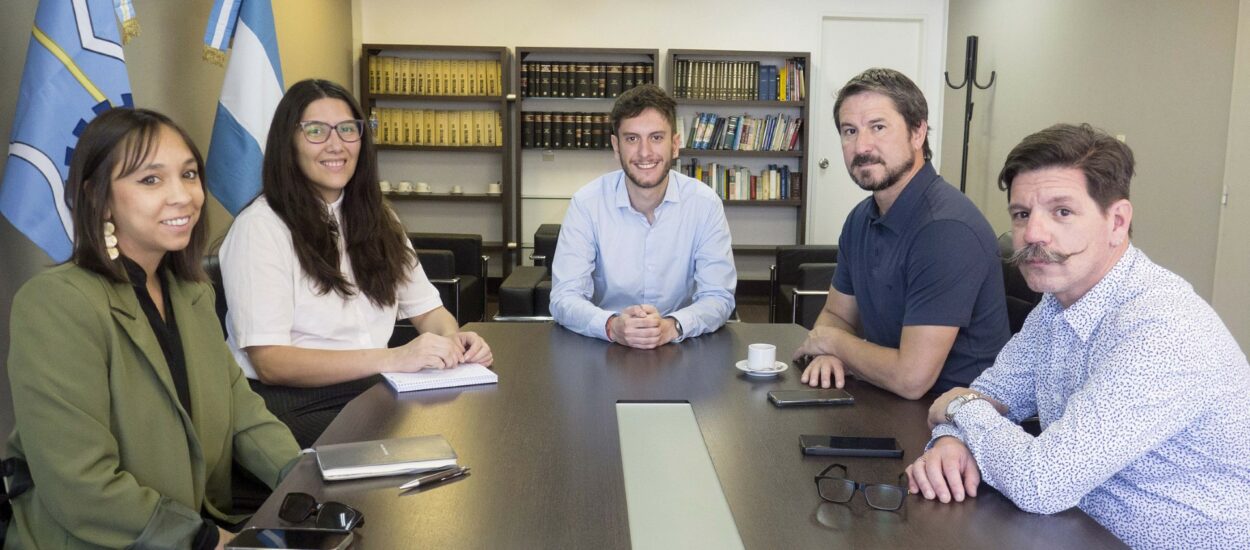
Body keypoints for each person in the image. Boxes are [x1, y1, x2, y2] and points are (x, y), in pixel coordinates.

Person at [906, 123, 1250, 548]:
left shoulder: (1163, 328)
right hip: (1076, 528)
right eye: (1021, 214)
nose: (1033, 234)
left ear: (1117, 222)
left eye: (1062, 212)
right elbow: (993, 395)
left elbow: (1040, 481)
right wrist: (951, 439)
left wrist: (956, 406)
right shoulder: (1056, 304)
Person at [2, 108, 299, 548]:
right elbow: (79, 484)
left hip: (198, 523)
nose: (183, 196)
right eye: (150, 180)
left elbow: (243, 415)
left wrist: (308, 478)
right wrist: (206, 540)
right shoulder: (57, 303)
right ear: (98, 197)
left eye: (189, 174)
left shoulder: (192, 294)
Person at [219, 79, 492, 448]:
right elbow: (271, 362)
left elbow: (429, 312)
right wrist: (396, 358)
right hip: (289, 404)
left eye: (348, 129)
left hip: (371, 387)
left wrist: (454, 340)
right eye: (316, 131)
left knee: (476, 423)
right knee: (419, 444)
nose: (336, 144)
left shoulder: (379, 219)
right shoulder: (261, 228)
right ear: (289, 143)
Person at [792, 68, 1009, 399]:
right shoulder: (860, 219)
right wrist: (827, 353)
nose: (862, 146)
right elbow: (837, 314)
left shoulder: (946, 229)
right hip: (885, 397)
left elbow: (912, 379)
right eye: (850, 131)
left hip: (952, 425)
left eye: (878, 127)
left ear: (918, 132)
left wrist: (832, 341)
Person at [549, 84, 736, 349]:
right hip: (604, 346)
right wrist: (612, 325)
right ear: (616, 146)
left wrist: (671, 326)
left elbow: (719, 296)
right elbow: (564, 297)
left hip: (681, 346)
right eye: (632, 138)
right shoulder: (587, 204)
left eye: (657, 138)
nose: (645, 152)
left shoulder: (705, 205)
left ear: (675, 145)